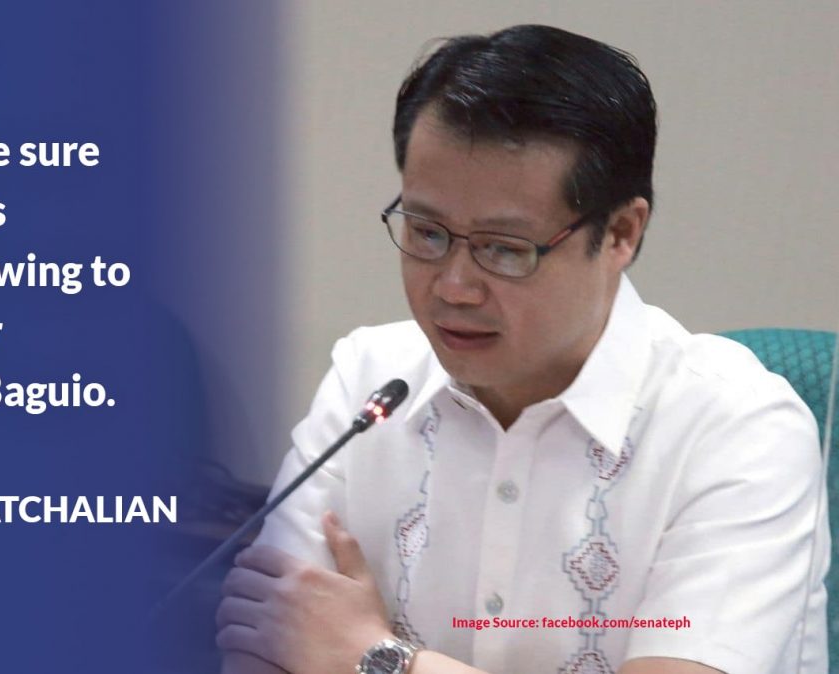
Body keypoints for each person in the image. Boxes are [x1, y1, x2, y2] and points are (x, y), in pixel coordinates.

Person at [215, 24, 829, 674]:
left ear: (621, 233)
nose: (453, 287)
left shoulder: (739, 431)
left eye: (504, 249)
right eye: (427, 233)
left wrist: (380, 658)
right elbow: (268, 642)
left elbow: (332, 648)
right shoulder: (370, 381)